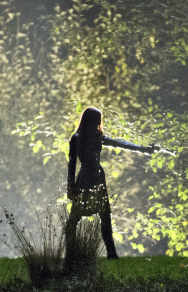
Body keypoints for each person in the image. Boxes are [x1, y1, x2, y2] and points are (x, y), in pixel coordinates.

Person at [66, 106, 159, 261]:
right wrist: (71, 186)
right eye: (95, 121)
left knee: (104, 216)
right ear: (89, 121)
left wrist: (144, 150)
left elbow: (120, 143)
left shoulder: (97, 136)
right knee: (75, 218)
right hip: (85, 179)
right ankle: (72, 254)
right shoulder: (77, 138)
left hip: (97, 177)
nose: (97, 124)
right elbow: (72, 164)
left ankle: (111, 254)